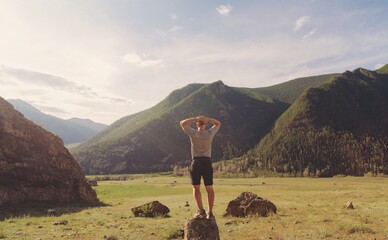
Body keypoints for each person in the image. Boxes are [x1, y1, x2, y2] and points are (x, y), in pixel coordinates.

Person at [180, 115, 221, 219]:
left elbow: (182, 123)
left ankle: (201, 210)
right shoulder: (210, 133)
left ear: (197, 124)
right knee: (209, 188)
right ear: (206, 124)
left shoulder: (193, 133)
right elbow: (218, 124)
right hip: (207, 162)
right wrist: (208, 119)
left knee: (196, 187)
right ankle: (210, 212)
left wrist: (195, 118)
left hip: (196, 162)